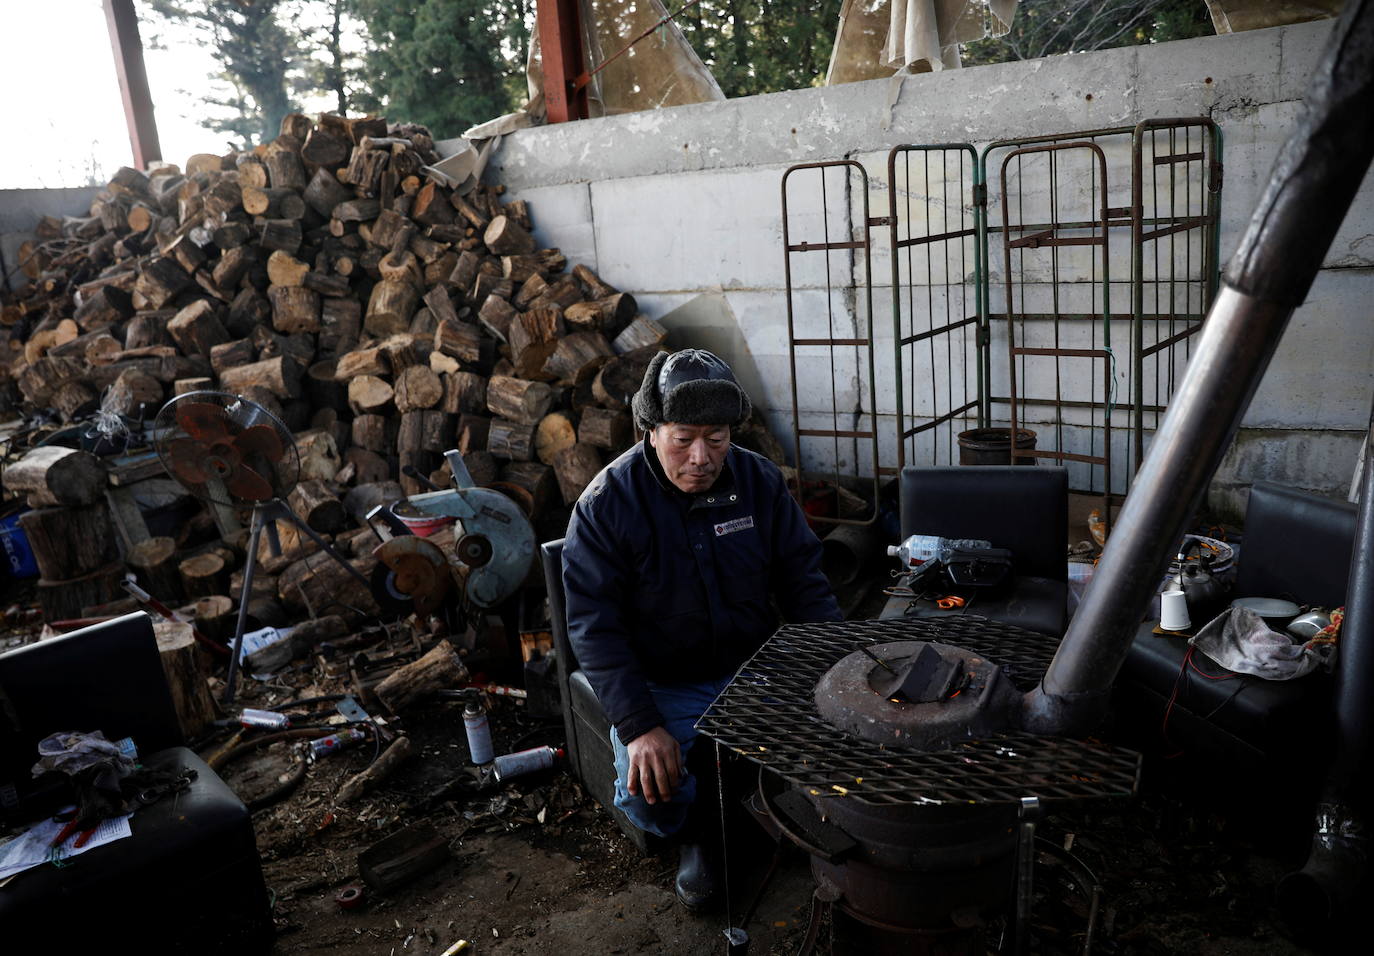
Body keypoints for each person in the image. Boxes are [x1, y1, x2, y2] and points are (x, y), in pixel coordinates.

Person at [561, 348, 841, 910]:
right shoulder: (606, 506)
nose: (701, 457)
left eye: (716, 438)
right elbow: (594, 629)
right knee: (646, 790)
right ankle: (701, 838)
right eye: (683, 437)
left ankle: (766, 812)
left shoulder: (758, 481)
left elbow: (804, 585)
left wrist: (837, 668)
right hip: (665, 685)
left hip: (756, 669)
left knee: (843, 730)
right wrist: (639, 725)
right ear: (650, 429)